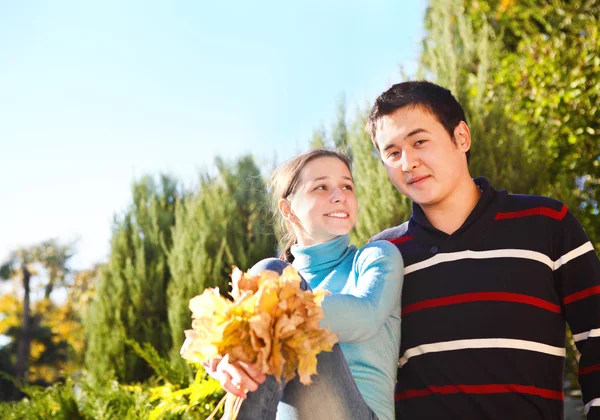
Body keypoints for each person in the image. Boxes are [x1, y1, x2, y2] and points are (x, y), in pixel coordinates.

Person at [366, 80, 600, 420]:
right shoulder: (383, 254)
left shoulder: (547, 223)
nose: (407, 162)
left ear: (461, 137)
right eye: (392, 153)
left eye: (419, 141)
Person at [205, 149, 404, 420]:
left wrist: (270, 315)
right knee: (269, 278)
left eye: (347, 186)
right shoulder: (278, 279)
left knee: (271, 280)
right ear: (287, 209)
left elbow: (367, 315)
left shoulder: (375, 257)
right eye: (321, 187)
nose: (339, 195)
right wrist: (224, 354)